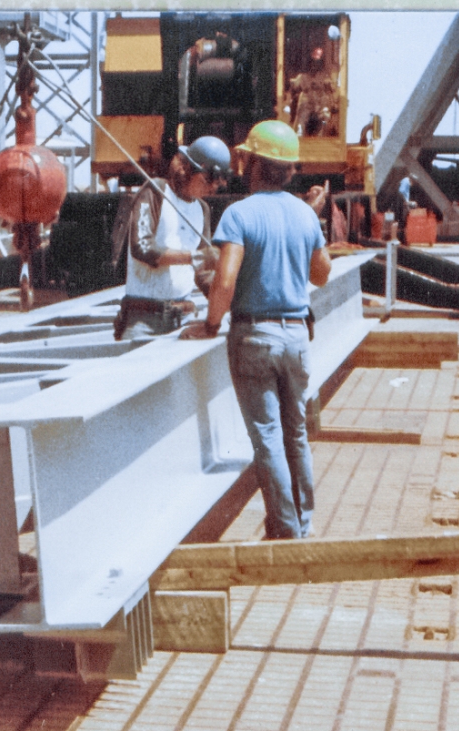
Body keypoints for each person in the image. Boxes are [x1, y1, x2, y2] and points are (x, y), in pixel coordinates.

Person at [181, 119, 332, 540]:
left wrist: (211, 325)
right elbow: (321, 274)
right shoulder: (304, 214)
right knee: (295, 434)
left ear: (254, 165)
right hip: (297, 335)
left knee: (267, 438)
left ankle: (285, 531)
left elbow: (224, 281)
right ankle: (303, 522)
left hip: (254, 338)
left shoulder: (238, 214)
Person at [113, 136, 230, 341]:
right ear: (187, 170)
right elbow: (141, 248)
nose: (211, 189)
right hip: (144, 319)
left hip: (183, 317)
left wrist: (227, 301)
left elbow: (203, 273)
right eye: (207, 180)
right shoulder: (156, 191)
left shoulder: (201, 210)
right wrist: (196, 257)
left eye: (216, 184)